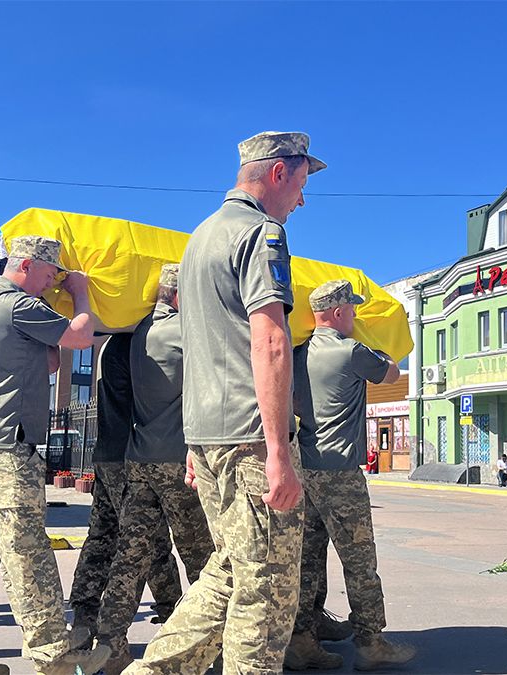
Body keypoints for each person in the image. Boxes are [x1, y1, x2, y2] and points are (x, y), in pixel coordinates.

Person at [125, 130, 324, 675]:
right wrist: (278, 450)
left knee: (232, 571)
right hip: (250, 437)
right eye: (304, 182)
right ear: (279, 171)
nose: (303, 198)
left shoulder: (199, 240)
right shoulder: (263, 234)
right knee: (267, 595)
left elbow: (201, 348)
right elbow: (270, 341)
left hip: (209, 436)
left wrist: (195, 440)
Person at [0, 235, 109, 675]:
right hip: (5, 456)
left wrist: (54, 318)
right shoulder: (18, 304)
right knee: (29, 558)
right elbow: (81, 337)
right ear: (27, 265)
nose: (54, 284)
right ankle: (56, 656)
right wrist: (80, 292)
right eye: (50, 275)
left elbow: (50, 362)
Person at [284, 279, 415, 671]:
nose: (356, 316)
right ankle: (371, 642)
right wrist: (376, 347)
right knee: (359, 560)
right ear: (339, 312)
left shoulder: (297, 354)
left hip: (305, 468)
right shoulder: (352, 351)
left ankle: (301, 640)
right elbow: (391, 373)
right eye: (353, 310)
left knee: (307, 559)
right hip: (340, 472)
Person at [95, 265, 216, 674]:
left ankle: (109, 643)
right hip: (175, 460)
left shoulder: (139, 333)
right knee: (203, 560)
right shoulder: (185, 331)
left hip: (139, 460)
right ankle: (208, 647)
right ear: (180, 295)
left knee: (131, 556)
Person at [69, 330, 181, 651]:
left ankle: (83, 616)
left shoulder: (110, 347)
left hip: (106, 455)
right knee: (147, 541)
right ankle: (173, 614)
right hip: (128, 458)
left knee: (102, 537)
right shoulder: (141, 345)